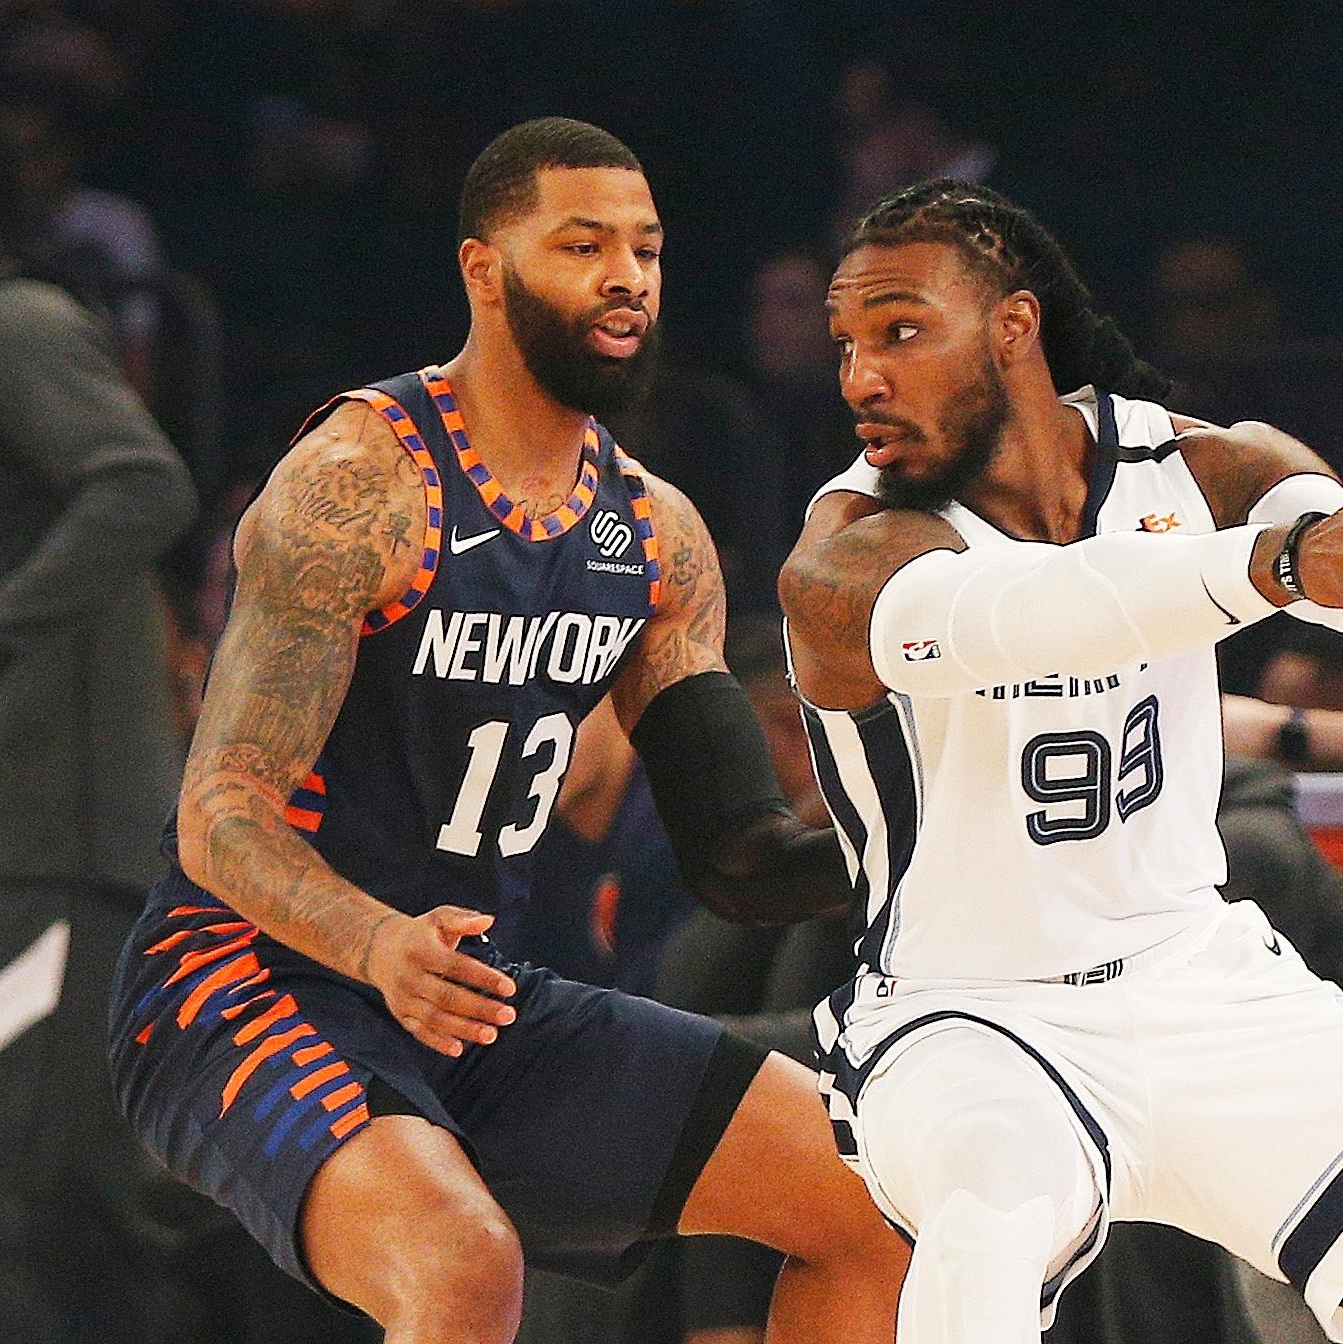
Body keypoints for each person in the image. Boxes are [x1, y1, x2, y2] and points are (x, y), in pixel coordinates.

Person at [779, 177, 1343, 1344]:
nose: (860, 375)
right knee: (983, 1237)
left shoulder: (1200, 469)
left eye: (900, 330)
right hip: (967, 1019)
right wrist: (1273, 565)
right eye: (846, 341)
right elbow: (1045, 608)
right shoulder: (845, 556)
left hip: (1199, 982)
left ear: (1013, 327)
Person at [104, 117, 907, 1344]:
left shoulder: (654, 534)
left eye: (644, 247)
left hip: (470, 994)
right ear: (484, 269)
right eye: (582, 245)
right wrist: (375, 944)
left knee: (870, 1204)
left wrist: (928, 825)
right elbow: (218, 817)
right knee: (463, 1263)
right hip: (245, 978)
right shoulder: (360, 481)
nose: (625, 275)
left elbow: (741, 861)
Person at [0, 89, 200, 1343]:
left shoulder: (13, 329)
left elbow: (143, 483)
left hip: (60, 835)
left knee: (4, 1196)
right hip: (10, 833)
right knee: (65, 1199)